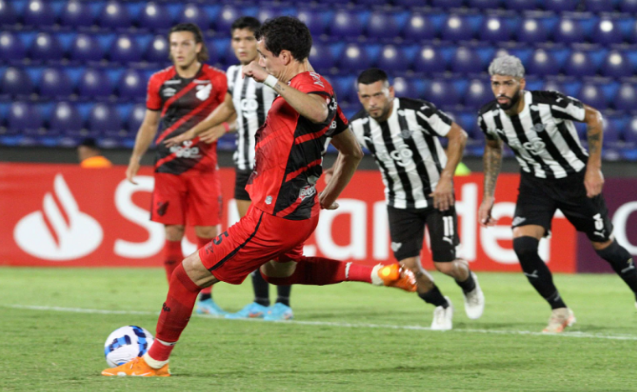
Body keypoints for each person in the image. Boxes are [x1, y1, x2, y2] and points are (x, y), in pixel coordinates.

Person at [102, 17, 417, 377]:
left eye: (265, 56)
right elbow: (353, 151)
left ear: (285, 55)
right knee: (279, 274)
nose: (260, 62)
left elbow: (318, 112)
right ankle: (377, 273)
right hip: (301, 212)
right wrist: (328, 197)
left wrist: (266, 79)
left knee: (186, 276)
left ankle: (153, 362)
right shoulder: (317, 89)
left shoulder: (310, 93)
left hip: (272, 216)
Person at [478, 55, 637, 333]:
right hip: (535, 184)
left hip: (575, 180)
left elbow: (594, 118)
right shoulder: (489, 116)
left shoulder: (547, 104)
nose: (501, 90)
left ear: (521, 84)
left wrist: (593, 168)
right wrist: (488, 195)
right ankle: (560, 310)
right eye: (495, 84)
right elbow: (493, 147)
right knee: (523, 246)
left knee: (605, 247)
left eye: (507, 83)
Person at [165, 17, 293, 321]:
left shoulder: (274, 74)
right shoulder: (234, 75)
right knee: (253, 236)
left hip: (273, 166)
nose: (241, 45)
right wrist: (201, 129)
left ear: (260, 42)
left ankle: (283, 303)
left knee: (277, 236)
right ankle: (261, 302)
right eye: (236, 40)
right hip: (242, 165)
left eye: (248, 39)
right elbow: (232, 109)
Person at [343, 68, 485, 331]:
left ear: (390, 92)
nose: (372, 102)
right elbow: (349, 154)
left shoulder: (417, 112)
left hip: (436, 196)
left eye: (377, 95)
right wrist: (334, 172)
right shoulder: (358, 125)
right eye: (365, 97)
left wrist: (446, 179)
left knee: (445, 265)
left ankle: (469, 284)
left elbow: (458, 135)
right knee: (408, 270)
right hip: (399, 202)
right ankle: (442, 306)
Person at [124, 23, 228, 316]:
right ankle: (177, 298)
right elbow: (149, 123)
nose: (178, 50)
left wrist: (223, 127)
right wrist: (135, 158)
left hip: (204, 167)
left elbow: (236, 114)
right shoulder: (159, 81)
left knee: (208, 231)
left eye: (184, 44)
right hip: (168, 167)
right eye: (173, 45)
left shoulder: (217, 80)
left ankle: (205, 297)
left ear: (197, 47)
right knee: (174, 232)